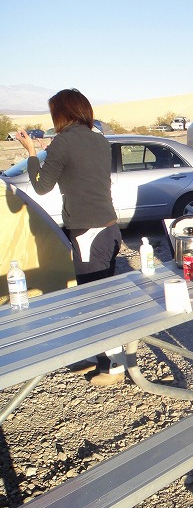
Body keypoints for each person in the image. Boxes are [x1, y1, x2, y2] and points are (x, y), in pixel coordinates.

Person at [15, 88, 124, 387]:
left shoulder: (63, 142)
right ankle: (94, 355)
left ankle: (113, 367)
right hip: (108, 227)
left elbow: (41, 186)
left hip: (88, 232)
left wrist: (32, 153)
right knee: (100, 295)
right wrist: (52, 151)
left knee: (96, 301)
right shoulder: (99, 140)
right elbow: (81, 173)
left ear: (61, 114)